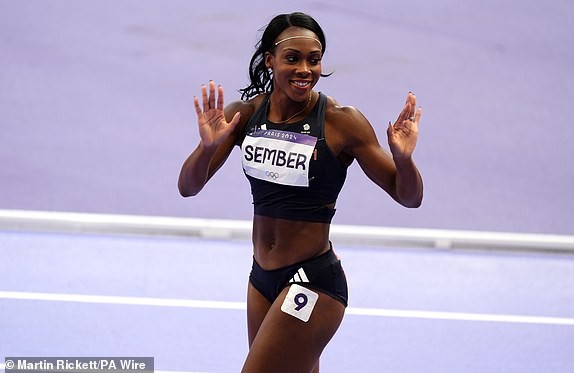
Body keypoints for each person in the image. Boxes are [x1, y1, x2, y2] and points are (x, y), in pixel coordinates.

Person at [178, 11, 423, 373]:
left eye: (314, 59)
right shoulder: (244, 116)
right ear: (270, 60)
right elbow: (189, 187)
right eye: (293, 59)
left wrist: (403, 160)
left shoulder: (341, 121)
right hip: (261, 278)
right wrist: (206, 148)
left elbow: (409, 197)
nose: (305, 69)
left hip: (312, 281)